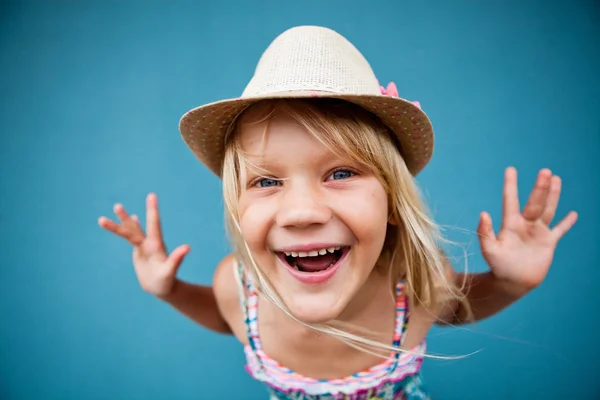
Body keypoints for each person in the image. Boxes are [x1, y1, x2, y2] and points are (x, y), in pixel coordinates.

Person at [98, 26, 578, 399]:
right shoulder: (237, 288)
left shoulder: (414, 281)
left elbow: (452, 307)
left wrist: (511, 282)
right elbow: (226, 318)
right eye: (267, 181)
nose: (302, 212)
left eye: (341, 173)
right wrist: (172, 291)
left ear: (392, 199)